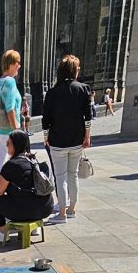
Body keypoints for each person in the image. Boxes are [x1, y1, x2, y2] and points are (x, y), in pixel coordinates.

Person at [41, 54, 91, 222]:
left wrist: (46, 138)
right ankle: (72, 209)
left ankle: (61, 213)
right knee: (73, 175)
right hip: (77, 140)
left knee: (60, 176)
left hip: (57, 141)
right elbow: (88, 117)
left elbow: (45, 119)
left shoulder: (52, 93)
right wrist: (87, 137)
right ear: (74, 70)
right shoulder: (83, 89)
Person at [0, 129, 54, 242]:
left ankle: (2, 232)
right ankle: (34, 229)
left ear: (16, 145)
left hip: (25, 211)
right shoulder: (34, 160)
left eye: (9, 143)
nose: (7, 146)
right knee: (29, 196)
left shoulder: (11, 165)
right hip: (45, 208)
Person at [0, 49, 22, 186]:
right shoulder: (10, 82)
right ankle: (12, 194)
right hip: (8, 131)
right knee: (16, 165)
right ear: (12, 64)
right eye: (18, 63)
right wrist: (17, 132)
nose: (19, 66)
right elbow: (9, 108)